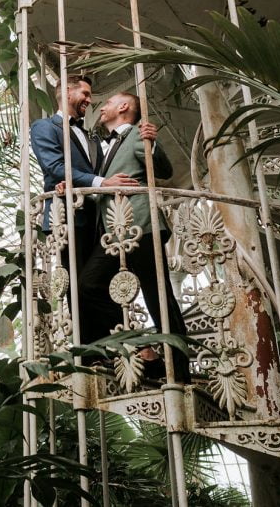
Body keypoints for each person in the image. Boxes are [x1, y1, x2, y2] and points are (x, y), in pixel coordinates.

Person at [79, 91, 192, 383]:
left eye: (108, 103)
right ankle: (144, 349)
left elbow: (164, 171)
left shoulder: (137, 135)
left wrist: (151, 145)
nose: (101, 107)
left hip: (142, 225)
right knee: (88, 284)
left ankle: (180, 371)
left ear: (124, 107)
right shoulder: (105, 145)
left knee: (159, 297)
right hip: (114, 232)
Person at [29, 74, 106, 274]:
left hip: (100, 218)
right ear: (67, 92)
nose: (89, 100)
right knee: (76, 285)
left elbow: (101, 168)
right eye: (85, 94)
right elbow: (55, 167)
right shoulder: (43, 127)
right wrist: (100, 182)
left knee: (103, 287)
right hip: (67, 215)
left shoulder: (92, 137)